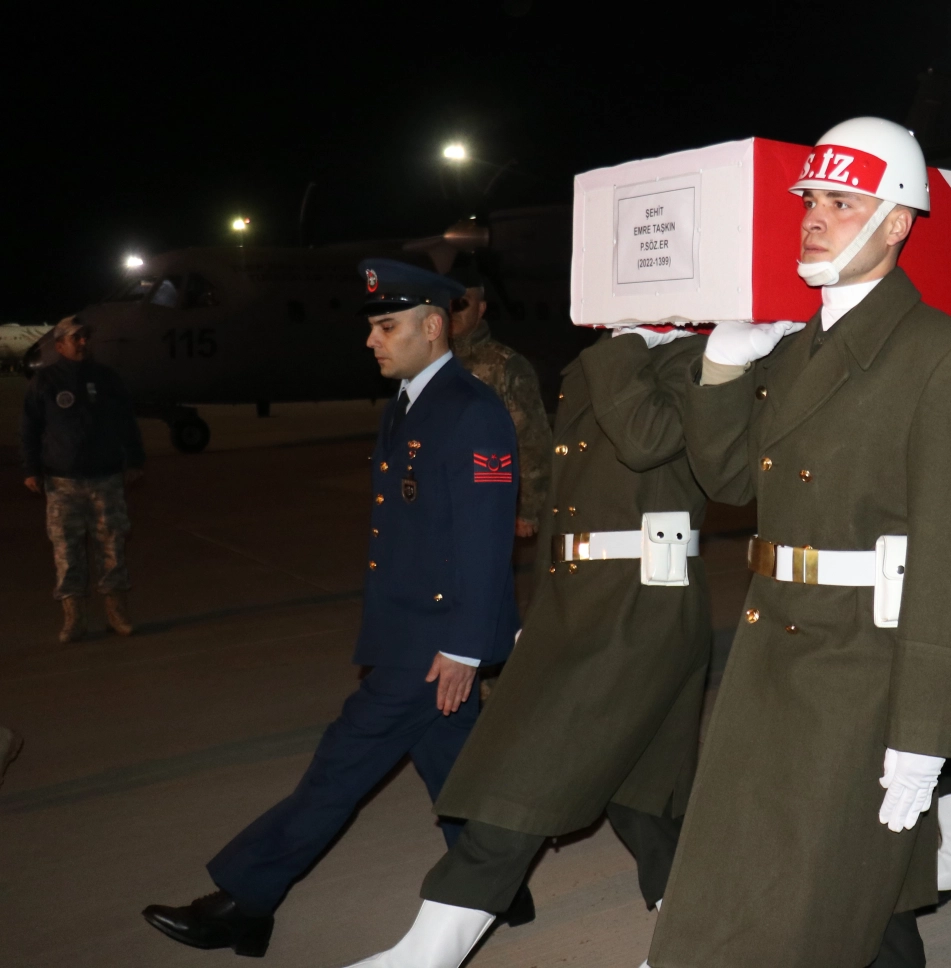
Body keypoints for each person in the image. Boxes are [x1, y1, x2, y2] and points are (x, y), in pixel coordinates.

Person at [647, 116, 951, 968]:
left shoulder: (945, 359)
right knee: (852, 896)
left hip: (863, 666)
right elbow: (731, 482)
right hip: (772, 648)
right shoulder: (796, 347)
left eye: (842, 201)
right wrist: (721, 371)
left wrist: (926, 733)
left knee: (803, 900)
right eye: (810, 199)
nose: (814, 216)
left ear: (897, 222)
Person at [141, 260, 520, 958]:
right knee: (458, 768)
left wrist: (466, 647)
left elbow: (487, 534)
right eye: (373, 327)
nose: (371, 341)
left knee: (336, 772)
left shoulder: (471, 410)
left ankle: (246, 901)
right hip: (409, 628)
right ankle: (498, 878)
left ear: (432, 327)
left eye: (386, 326)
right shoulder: (408, 403)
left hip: (435, 638)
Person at [339, 325, 713, 968]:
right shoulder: (599, 362)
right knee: (642, 799)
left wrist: (625, 342)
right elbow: (566, 509)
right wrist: (540, 608)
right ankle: (703, 938)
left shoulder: (702, 360)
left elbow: (649, 440)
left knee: (524, 772)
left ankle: (427, 956)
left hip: (639, 605)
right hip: (588, 602)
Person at [20, 314, 145, 642]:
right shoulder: (44, 382)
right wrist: (31, 469)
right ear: (59, 345)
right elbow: (30, 428)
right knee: (66, 551)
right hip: (63, 484)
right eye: (75, 337)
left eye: (85, 336)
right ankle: (74, 618)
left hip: (105, 479)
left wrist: (135, 459)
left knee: (112, 547)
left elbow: (126, 421)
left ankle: (116, 613)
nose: (83, 342)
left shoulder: (106, 378)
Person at [447, 262, 552, 540]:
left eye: (461, 303)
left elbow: (532, 440)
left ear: (480, 309)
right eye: (444, 303)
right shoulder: (431, 364)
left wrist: (530, 509)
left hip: (487, 499)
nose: (451, 311)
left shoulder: (507, 366)